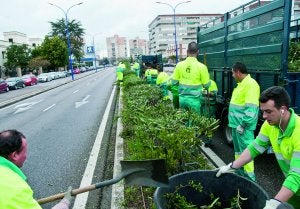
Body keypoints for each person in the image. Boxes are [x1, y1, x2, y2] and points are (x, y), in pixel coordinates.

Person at [216, 86, 300, 209]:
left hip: (295, 181)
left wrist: (274, 202)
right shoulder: (270, 125)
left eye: (268, 111)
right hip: (293, 189)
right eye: (263, 111)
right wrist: (231, 166)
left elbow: (297, 175)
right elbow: (255, 148)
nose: (264, 116)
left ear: (283, 109)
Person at [0, 129, 72, 209]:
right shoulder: (13, 186)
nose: (26, 156)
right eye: (25, 152)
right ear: (14, 155)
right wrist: (64, 204)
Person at [228, 62, 260, 181]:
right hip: (236, 126)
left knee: (247, 153)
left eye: (232, 73)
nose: (232, 75)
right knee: (238, 152)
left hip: (243, 128)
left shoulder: (251, 85)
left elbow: (251, 109)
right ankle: (240, 176)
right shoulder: (241, 84)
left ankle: (250, 180)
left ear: (238, 72)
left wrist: (243, 124)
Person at [171, 41, 211, 114]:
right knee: (194, 123)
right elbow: (206, 85)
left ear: (187, 52)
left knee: (183, 121)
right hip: (195, 101)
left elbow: (173, 82)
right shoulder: (202, 67)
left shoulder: (179, 65)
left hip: (182, 100)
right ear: (197, 52)